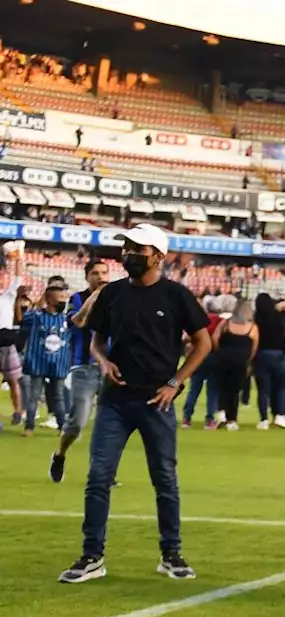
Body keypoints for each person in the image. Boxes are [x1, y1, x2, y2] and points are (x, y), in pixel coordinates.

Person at [58, 224, 212, 583]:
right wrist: (103, 361)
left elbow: (203, 342)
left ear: (159, 255)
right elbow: (97, 340)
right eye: (126, 246)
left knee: (165, 480)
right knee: (98, 478)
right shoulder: (111, 293)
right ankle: (91, 556)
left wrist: (176, 382)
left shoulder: (176, 296)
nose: (128, 253)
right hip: (114, 401)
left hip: (157, 402)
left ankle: (170, 553)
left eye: (137, 247)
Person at [50, 259, 111, 481]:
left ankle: (103, 472)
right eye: (95, 273)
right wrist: (97, 295)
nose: (101, 277)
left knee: (109, 424)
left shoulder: (119, 298)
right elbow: (79, 321)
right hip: (83, 367)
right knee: (77, 422)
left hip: (111, 369)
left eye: (104, 272)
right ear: (87, 277)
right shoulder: (76, 299)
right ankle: (60, 454)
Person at [18, 277, 71, 437]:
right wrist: (18, 299)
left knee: (58, 397)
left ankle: (63, 428)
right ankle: (29, 427)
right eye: (60, 298)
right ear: (49, 300)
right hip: (38, 363)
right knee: (34, 396)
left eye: (64, 298)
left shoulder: (67, 319)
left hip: (58, 364)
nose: (63, 301)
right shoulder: (36, 317)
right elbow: (20, 319)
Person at [211, 298, 258, 431]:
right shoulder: (252, 327)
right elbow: (254, 348)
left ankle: (221, 413)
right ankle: (231, 419)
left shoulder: (225, 323)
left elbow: (214, 339)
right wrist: (248, 360)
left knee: (222, 387)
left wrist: (219, 351)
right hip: (241, 361)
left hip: (223, 358)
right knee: (235, 391)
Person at [182, 295, 227, 429]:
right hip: (214, 356)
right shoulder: (221, 321)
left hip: (198, 356)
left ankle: (186, 418)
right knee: (212, 390)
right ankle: (209, 419)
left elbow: (186, 337)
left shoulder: (199, 320)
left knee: (194, 389)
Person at [251, 294, 285, 430]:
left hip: (261, 354)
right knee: (281, 387)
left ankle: (263, 419)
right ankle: (280, 415)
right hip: (279, 354)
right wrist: (277, 306)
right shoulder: (280, 316)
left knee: (263, 389)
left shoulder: (257, 318)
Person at [0, 246, 26, 429]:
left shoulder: (8, 295)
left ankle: (18, 411)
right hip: (5, 339)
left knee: (13, 379)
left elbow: (17, 278)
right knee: (12, 379)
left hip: (7, 339)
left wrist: (18, 259)